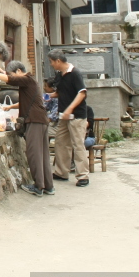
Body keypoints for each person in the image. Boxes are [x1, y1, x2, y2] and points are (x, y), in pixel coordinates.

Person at [0, 60, 53, 196]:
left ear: (18, 71)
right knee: (42, 154)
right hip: (41, 119)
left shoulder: (26, 79)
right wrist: (10, 107)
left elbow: (9, 80)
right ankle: (48, 185)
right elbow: (26, 101)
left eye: (12, 73)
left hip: (35, 120)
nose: (12, 77)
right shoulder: (30, 82)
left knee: (34, 153)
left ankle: (38, 186)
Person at [48, 49, 90, 187]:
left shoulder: (75, 73)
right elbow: (59, 93)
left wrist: (70, 109)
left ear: (58, 61)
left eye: (52, 62)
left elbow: (82, 93)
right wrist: (46, 96)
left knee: (78, 145)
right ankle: (61, 172)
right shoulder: (60, 75)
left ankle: (83, 176)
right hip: (63, 116)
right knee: (60, 143)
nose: (51, 64)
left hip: (77, 116)